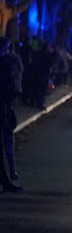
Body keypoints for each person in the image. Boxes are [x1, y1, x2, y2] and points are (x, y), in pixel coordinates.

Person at [0, 38, 23, 192]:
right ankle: (6, 181)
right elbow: (9, 88)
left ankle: (6, 180)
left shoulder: (6, 62)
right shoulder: (5, 63)